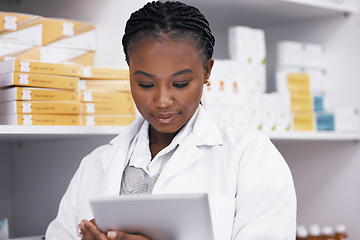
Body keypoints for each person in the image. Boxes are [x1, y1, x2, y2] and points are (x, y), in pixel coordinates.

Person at [46, 1, 297, 239]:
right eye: (146, 84)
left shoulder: (252, 157)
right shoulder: (94, 165)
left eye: (180, 84)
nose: (162, 100)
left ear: (207, 71)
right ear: (129, 69)